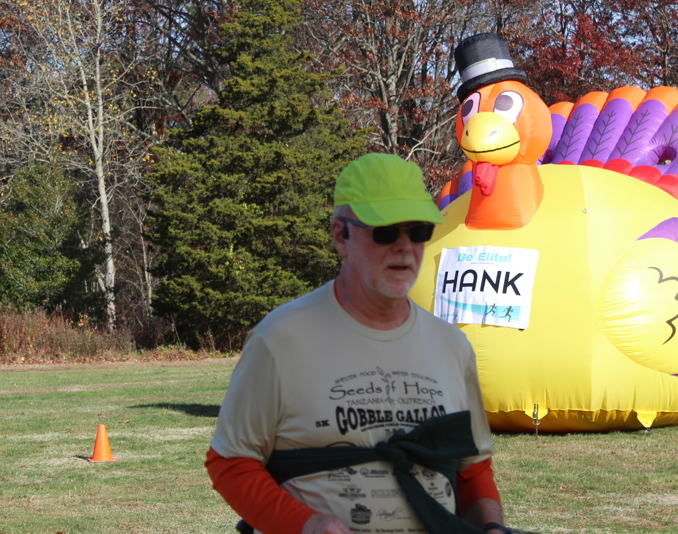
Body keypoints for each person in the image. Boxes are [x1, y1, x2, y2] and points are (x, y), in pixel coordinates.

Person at [206, 153, 509, 534]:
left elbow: (472, 469)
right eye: (385, 231)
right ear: (341, 236)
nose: (404, 246)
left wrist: (493, 526)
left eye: (418, 230)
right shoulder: (280, 339)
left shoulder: (452, 346)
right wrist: (306, 525)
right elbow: (231, 462)